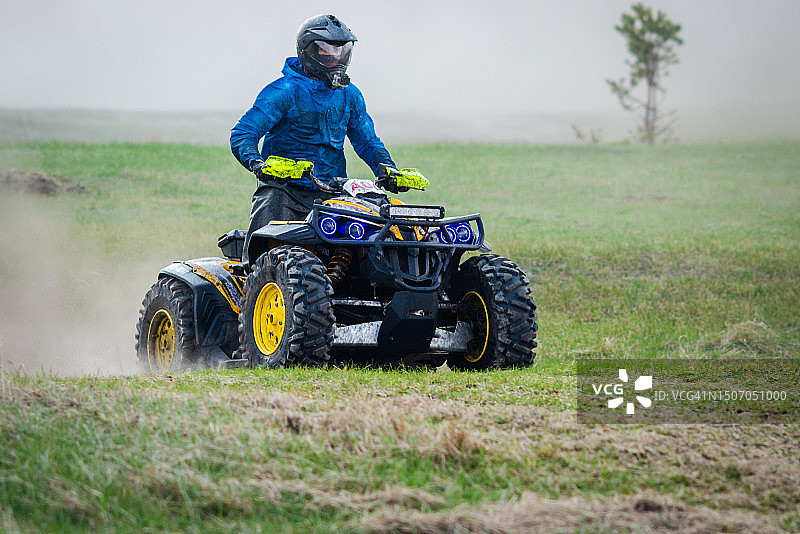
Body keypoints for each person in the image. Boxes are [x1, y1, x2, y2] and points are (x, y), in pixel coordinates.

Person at [230, 14, 396, 268]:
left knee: (372, 247)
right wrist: (257, 164)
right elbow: (244, 133)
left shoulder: (350, 95)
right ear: (308, 52)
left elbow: (367, 141)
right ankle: (254, 285)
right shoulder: (284, 91)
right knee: (266, 260)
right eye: (327, 50)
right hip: (283, 191)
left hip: (332, 194)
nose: (335, 58)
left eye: (342, 51)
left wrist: (386, 167)